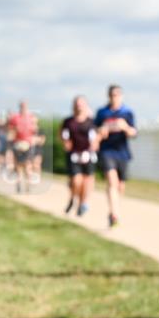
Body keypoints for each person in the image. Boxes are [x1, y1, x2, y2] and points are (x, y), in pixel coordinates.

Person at [95, 85, 137, 228]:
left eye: (118, 95)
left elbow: (134, 133)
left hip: (122, 152)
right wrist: (101, 131)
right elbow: (95, 132)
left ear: (122, 96)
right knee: (112, 182)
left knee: (120, 186)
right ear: (108, 96)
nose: (115, 97)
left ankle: (114, 210)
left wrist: (124, 127)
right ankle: (114, 214)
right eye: (113, 95)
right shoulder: (102, 113)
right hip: (107, 151)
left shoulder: (127, 112)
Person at [61, 96, 99, 217]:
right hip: (74, 155)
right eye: (77, 104)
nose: (79, 106)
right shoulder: (68, 121)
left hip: (89, 155)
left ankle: (83, 204)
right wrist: (65, 143)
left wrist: (95, 144)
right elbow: (63, 135)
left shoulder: (92, 122)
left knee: (86, 181)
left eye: (82, 104)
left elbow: (97, 136)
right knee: (76, 181)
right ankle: (73, 198)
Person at [7, 101, 38, 193]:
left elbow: (35, 130)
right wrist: (10, 142)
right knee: (19, 167)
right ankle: (19, 184)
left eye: (25, 106)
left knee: (28, 166)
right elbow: (11, 131)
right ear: (20, 107)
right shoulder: (15, 118)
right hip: (18, 144)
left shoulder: (31, 117)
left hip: (28, 145)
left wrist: (33, 139)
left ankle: (28, 186)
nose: (23, 108)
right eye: (22, 106)